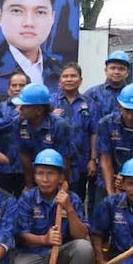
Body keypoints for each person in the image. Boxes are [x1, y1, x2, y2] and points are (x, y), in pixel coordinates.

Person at [13, 149, 92, 264]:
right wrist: (45, 239)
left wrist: (68, 208)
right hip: (33, 253)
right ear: (34, 176)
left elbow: (81, 235)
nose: (45, 179)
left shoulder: (72, 198)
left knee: (85, 248)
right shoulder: (27, 199)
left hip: (61, 252)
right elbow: (22, 236)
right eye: (40, 173)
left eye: (50, 174)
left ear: (61, 177)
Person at [50, 62, 97, 205]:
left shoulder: (90, 104)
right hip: (54, 162)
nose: (69, 79)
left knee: (77, 200)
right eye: (65, 76)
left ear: (80, 80)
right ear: (60, 81)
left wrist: (93, 160)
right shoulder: (50, 102)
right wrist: (50, 116)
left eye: (73, 76)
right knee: (52, 201)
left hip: (81, 162)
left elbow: (94, 132)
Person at [14, 82, 73, 189]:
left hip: (57, 175)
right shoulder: (19, 123)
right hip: (35, 175)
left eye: (25, 107)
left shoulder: (59, 126)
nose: (19, 109)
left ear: (39, 110)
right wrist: (29, 185)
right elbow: (24, 156)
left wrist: (62, 186)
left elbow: (65, 159)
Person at [0, 70, 29, 195]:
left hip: (26, 168)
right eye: (14, 85)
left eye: (22, 85)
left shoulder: (34, 109)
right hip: (4, 166)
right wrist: (16, 114)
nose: (17, 88)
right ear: (9, 90)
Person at [83, 50, 130, 122]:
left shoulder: (132, 94)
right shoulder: (93, 93)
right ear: (106, 71)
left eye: (121, 69)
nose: (116, 72)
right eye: (113, 68)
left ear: (127, 73)